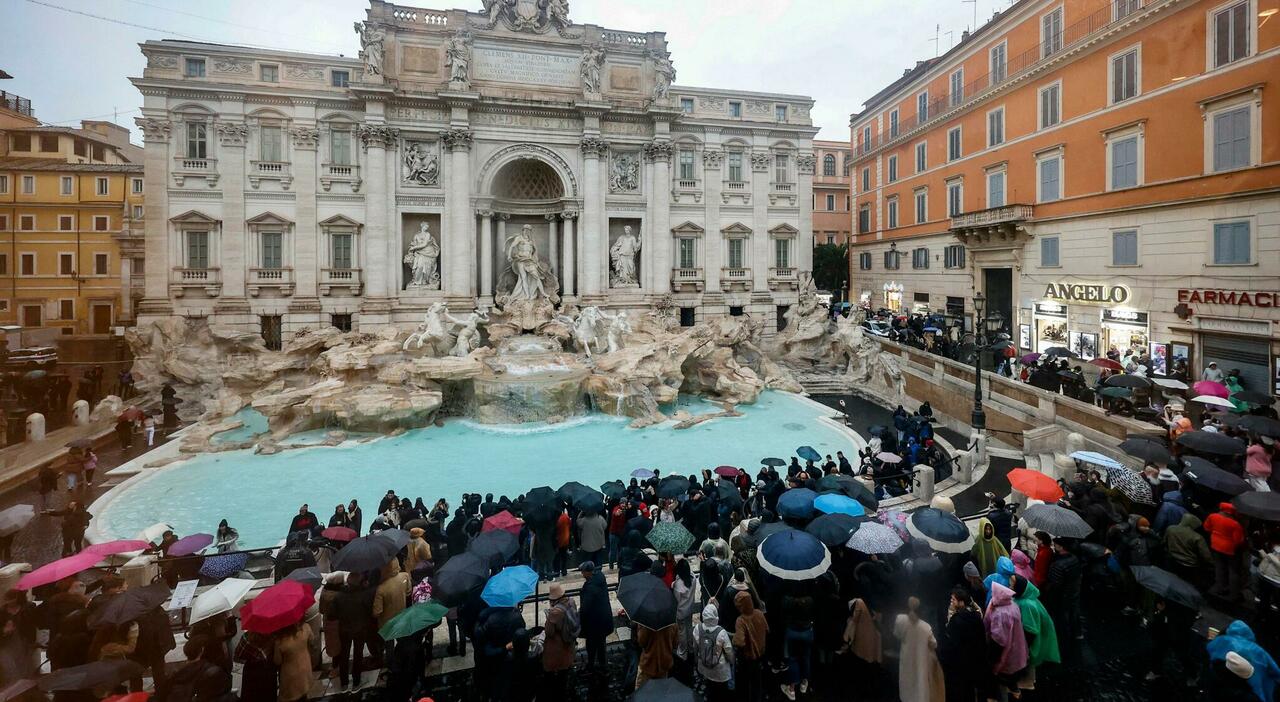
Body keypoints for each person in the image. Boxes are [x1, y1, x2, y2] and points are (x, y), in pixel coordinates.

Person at [1206, 620, 1280, 702]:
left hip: (1225, 676)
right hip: (1256, 680)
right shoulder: (1258, 650)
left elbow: (1209, 648)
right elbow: (1275, 669)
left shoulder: (1224, 640)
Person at [938, 588, 985, 702]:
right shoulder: (976, 616)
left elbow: (950, 641)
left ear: (961, 602)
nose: (951, 602)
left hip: (959, 663)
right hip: (975, 660)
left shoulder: (956, 620)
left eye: (954, 600)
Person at [894, 596, 945, 702]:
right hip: (921, 661)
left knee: (907, 683)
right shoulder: (925, 626)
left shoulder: (900, 620)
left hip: (906, 658)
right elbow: (934, 644)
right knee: (921, 685)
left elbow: (897, 634)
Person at [332, 572, 376, 692]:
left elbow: (332, 615)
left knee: (344, 656)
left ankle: (344, 684)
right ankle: (356, 682)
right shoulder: (364, 595)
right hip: (360, 629)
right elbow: (370, 611)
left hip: (344, 630)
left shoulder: (339, 596)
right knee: (358, 654)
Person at [1204, 502, 1246, 601]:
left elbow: (1207, 528)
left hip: (1215, 546)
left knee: (1219, 567)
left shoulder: (1212, 516)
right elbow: (1239, 540)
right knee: (1233, 571)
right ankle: (1233, 594)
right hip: (1230, 550)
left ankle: (1220, 588)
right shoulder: (1235, 524)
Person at [732, 589, 768, 702]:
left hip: (748, 656)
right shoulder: (759, 613)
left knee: (746, 683)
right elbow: (767, 629)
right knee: (758, 681)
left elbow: (739, 642)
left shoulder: (741, 620)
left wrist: (733, 640)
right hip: (761, 653)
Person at [578, 562, 613, 673]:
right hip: (603, 618)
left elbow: (585, 608)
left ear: (588, 572)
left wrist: (579, 614)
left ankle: (591, 664)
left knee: (591, 644)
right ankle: (603, 665)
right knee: (601, 643)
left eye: (583, 572)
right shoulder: (600, 579)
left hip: (594, 622)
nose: (582, 574)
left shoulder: (591, 587)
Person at [273, 622, 313, 702]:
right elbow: (311, 641)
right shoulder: (306, 628)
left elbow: (277, 661)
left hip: (290, 679)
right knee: (304, 696)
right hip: (305, 671)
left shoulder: (280, 641)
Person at [634, 618, 677, 690]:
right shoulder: (672, 623)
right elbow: (675, 644)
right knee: (661, 691)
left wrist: (640, 627)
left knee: (641, 692)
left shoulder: (646, 622)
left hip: (648, 664)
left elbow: (641, 642)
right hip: (664, 664)